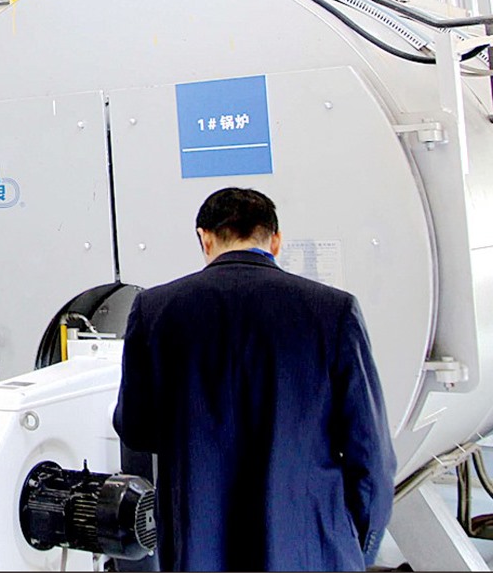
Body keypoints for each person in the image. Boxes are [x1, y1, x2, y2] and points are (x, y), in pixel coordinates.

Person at [113, 187, 394, 572]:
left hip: (198, 545)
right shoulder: (334, 310)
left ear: (204, 239)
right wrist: (356, 544)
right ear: (275, 241)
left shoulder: (154, 309)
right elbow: (370, 452)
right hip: (310, 547)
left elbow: (136, 429)